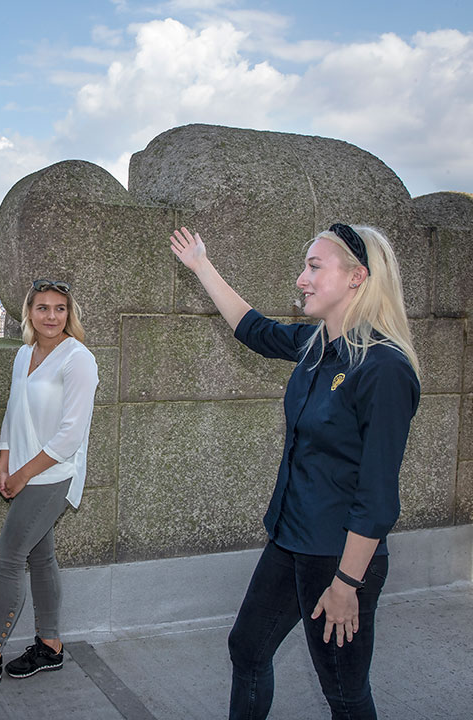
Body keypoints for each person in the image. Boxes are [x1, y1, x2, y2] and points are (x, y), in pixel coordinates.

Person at [170, 224, 420, 719]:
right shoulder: (314, 345)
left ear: (357, 277)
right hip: (290, 539)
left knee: (344, 693)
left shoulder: (383, 368)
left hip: (338, 557)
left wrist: (347, 583)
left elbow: (377, 497)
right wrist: (201, 264)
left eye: (314, 267)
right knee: (248, 648)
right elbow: (254, 329)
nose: (301, 279)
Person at [0, 279, 99, 689]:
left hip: (52, 474)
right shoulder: (24, 354)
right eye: (42, 307)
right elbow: (13, 411)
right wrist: (4, 460)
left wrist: (25, 473)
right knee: (40, 557)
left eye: (59, 308)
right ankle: (50, 645)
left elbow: (70, 436)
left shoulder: (78, 359)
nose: (51, 316)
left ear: (69, 314)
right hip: (24, 470)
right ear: (28, 313)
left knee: (10, 555)